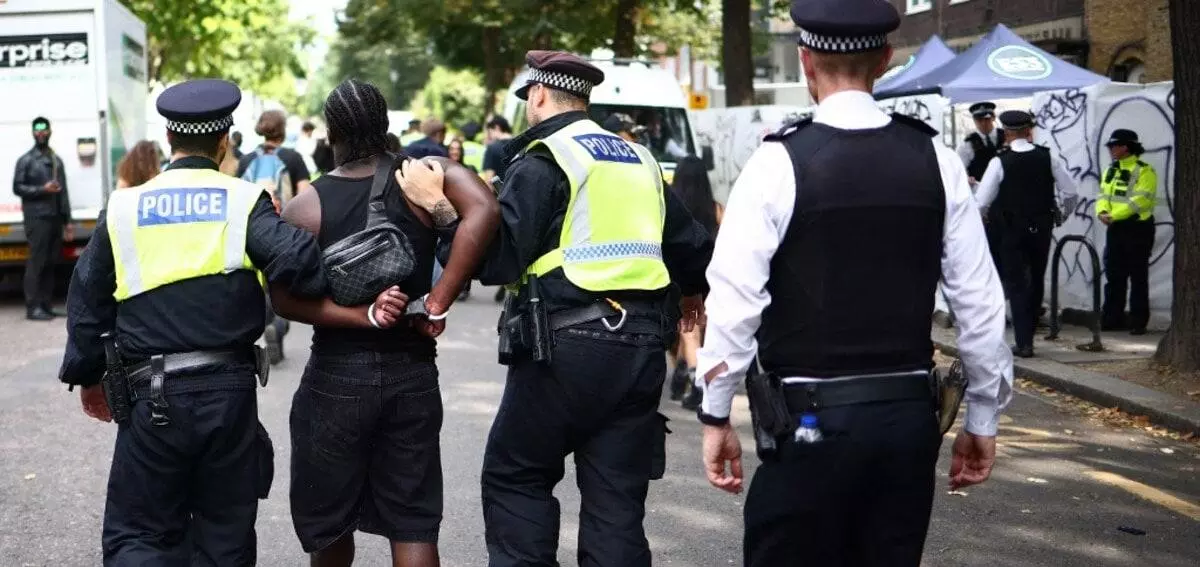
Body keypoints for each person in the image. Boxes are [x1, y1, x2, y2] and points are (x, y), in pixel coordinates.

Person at [696, 1, 1013, 565]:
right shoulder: (935, 159)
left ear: (804, 62)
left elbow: (735, 301)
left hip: (808, 425)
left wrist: (716, 413)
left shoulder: (777, 162)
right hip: (906, 425)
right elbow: (980, 303)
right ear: (887, 60)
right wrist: (982, 415)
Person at [56, 79, 393, 565]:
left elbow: (86, 296)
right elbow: (302, 264)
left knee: (140, 535)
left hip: (150, 393)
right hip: (226, 395)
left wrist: (88, 376)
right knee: (224, 535)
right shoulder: (242, 200)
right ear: (223, 142)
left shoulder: (124, 207)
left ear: (169, 142)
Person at [397, 50, 713, 567]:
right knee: (616, 501)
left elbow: (498, 262)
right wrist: (692, 294)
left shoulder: (546, 159)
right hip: (640, 352)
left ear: (538, 95)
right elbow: (692, 242)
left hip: (564, 349)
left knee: (516, 476)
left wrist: (440, 208)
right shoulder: (639, 159)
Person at [273, 78, 499, 567]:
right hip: (413, 373)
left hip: (335, 374)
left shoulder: (306, 206)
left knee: (330, 524)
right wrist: (437, 299)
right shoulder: (427, 176)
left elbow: (284, 301)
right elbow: (484, 208)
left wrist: (357, 316)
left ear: (332, 133)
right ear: (384, 126)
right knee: (412, 521)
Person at [975, 111, 1078, 357]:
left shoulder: (1000, 161)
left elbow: (981, 202)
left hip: (1011, 230)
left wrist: (985, 220)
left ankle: (1024, 343)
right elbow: (1071, 192)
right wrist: (1061, 217)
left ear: (1007, 132)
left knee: (1017, 283)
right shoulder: (1047, 157)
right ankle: (1029, 335)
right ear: (1028, 131)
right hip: (1041, 228)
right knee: (1037, 279)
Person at [666, 155, 723, 410]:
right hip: (709, 276)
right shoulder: (716, 209)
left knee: (688, 332)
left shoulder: (671, 204)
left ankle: (696, 383)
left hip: (677, 275)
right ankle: (681, 377)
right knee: (694, 330)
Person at [1097, 128, 1158, 335]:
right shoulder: (1111, 170)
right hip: (1115, 227)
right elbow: (1103, 194)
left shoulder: (1144, 170)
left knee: (1138, 276)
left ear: (1126, 147)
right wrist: (1102, 211)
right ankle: (1112, 317)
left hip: (1137, 228)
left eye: (1115, 146)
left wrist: (1114, 216)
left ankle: (1138, 321)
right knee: (1114, 274)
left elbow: (1140, 201)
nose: (1111, 149)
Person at [12, 116, 71, 321]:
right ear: (32, 132)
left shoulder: (56, 160)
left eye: (44, 129)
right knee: (36, 262)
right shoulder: (26, 160)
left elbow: (64, 193)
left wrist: (67, 221)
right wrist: (42, 189)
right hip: (37, 219)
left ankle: (45, 305)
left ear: (49, 131)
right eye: (37, 129)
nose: (41, 132)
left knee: (50, 262)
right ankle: (33, 307)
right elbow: (17, 187)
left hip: (54, 218)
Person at [957, 102, 1001, 185]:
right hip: (979, 188)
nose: (983, 123)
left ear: (993, 117)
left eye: (987, 119)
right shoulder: (967, 144)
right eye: (979, 120)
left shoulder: (1006, 136)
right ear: (974, 120)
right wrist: (966, 178)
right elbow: (960, 168)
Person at [481, 115, 514, 186]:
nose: (490, 136)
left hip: (498, 195)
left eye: (490, 132)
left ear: (497, 127)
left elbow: (489, 180)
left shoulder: (492, 148)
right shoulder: (521, 145)